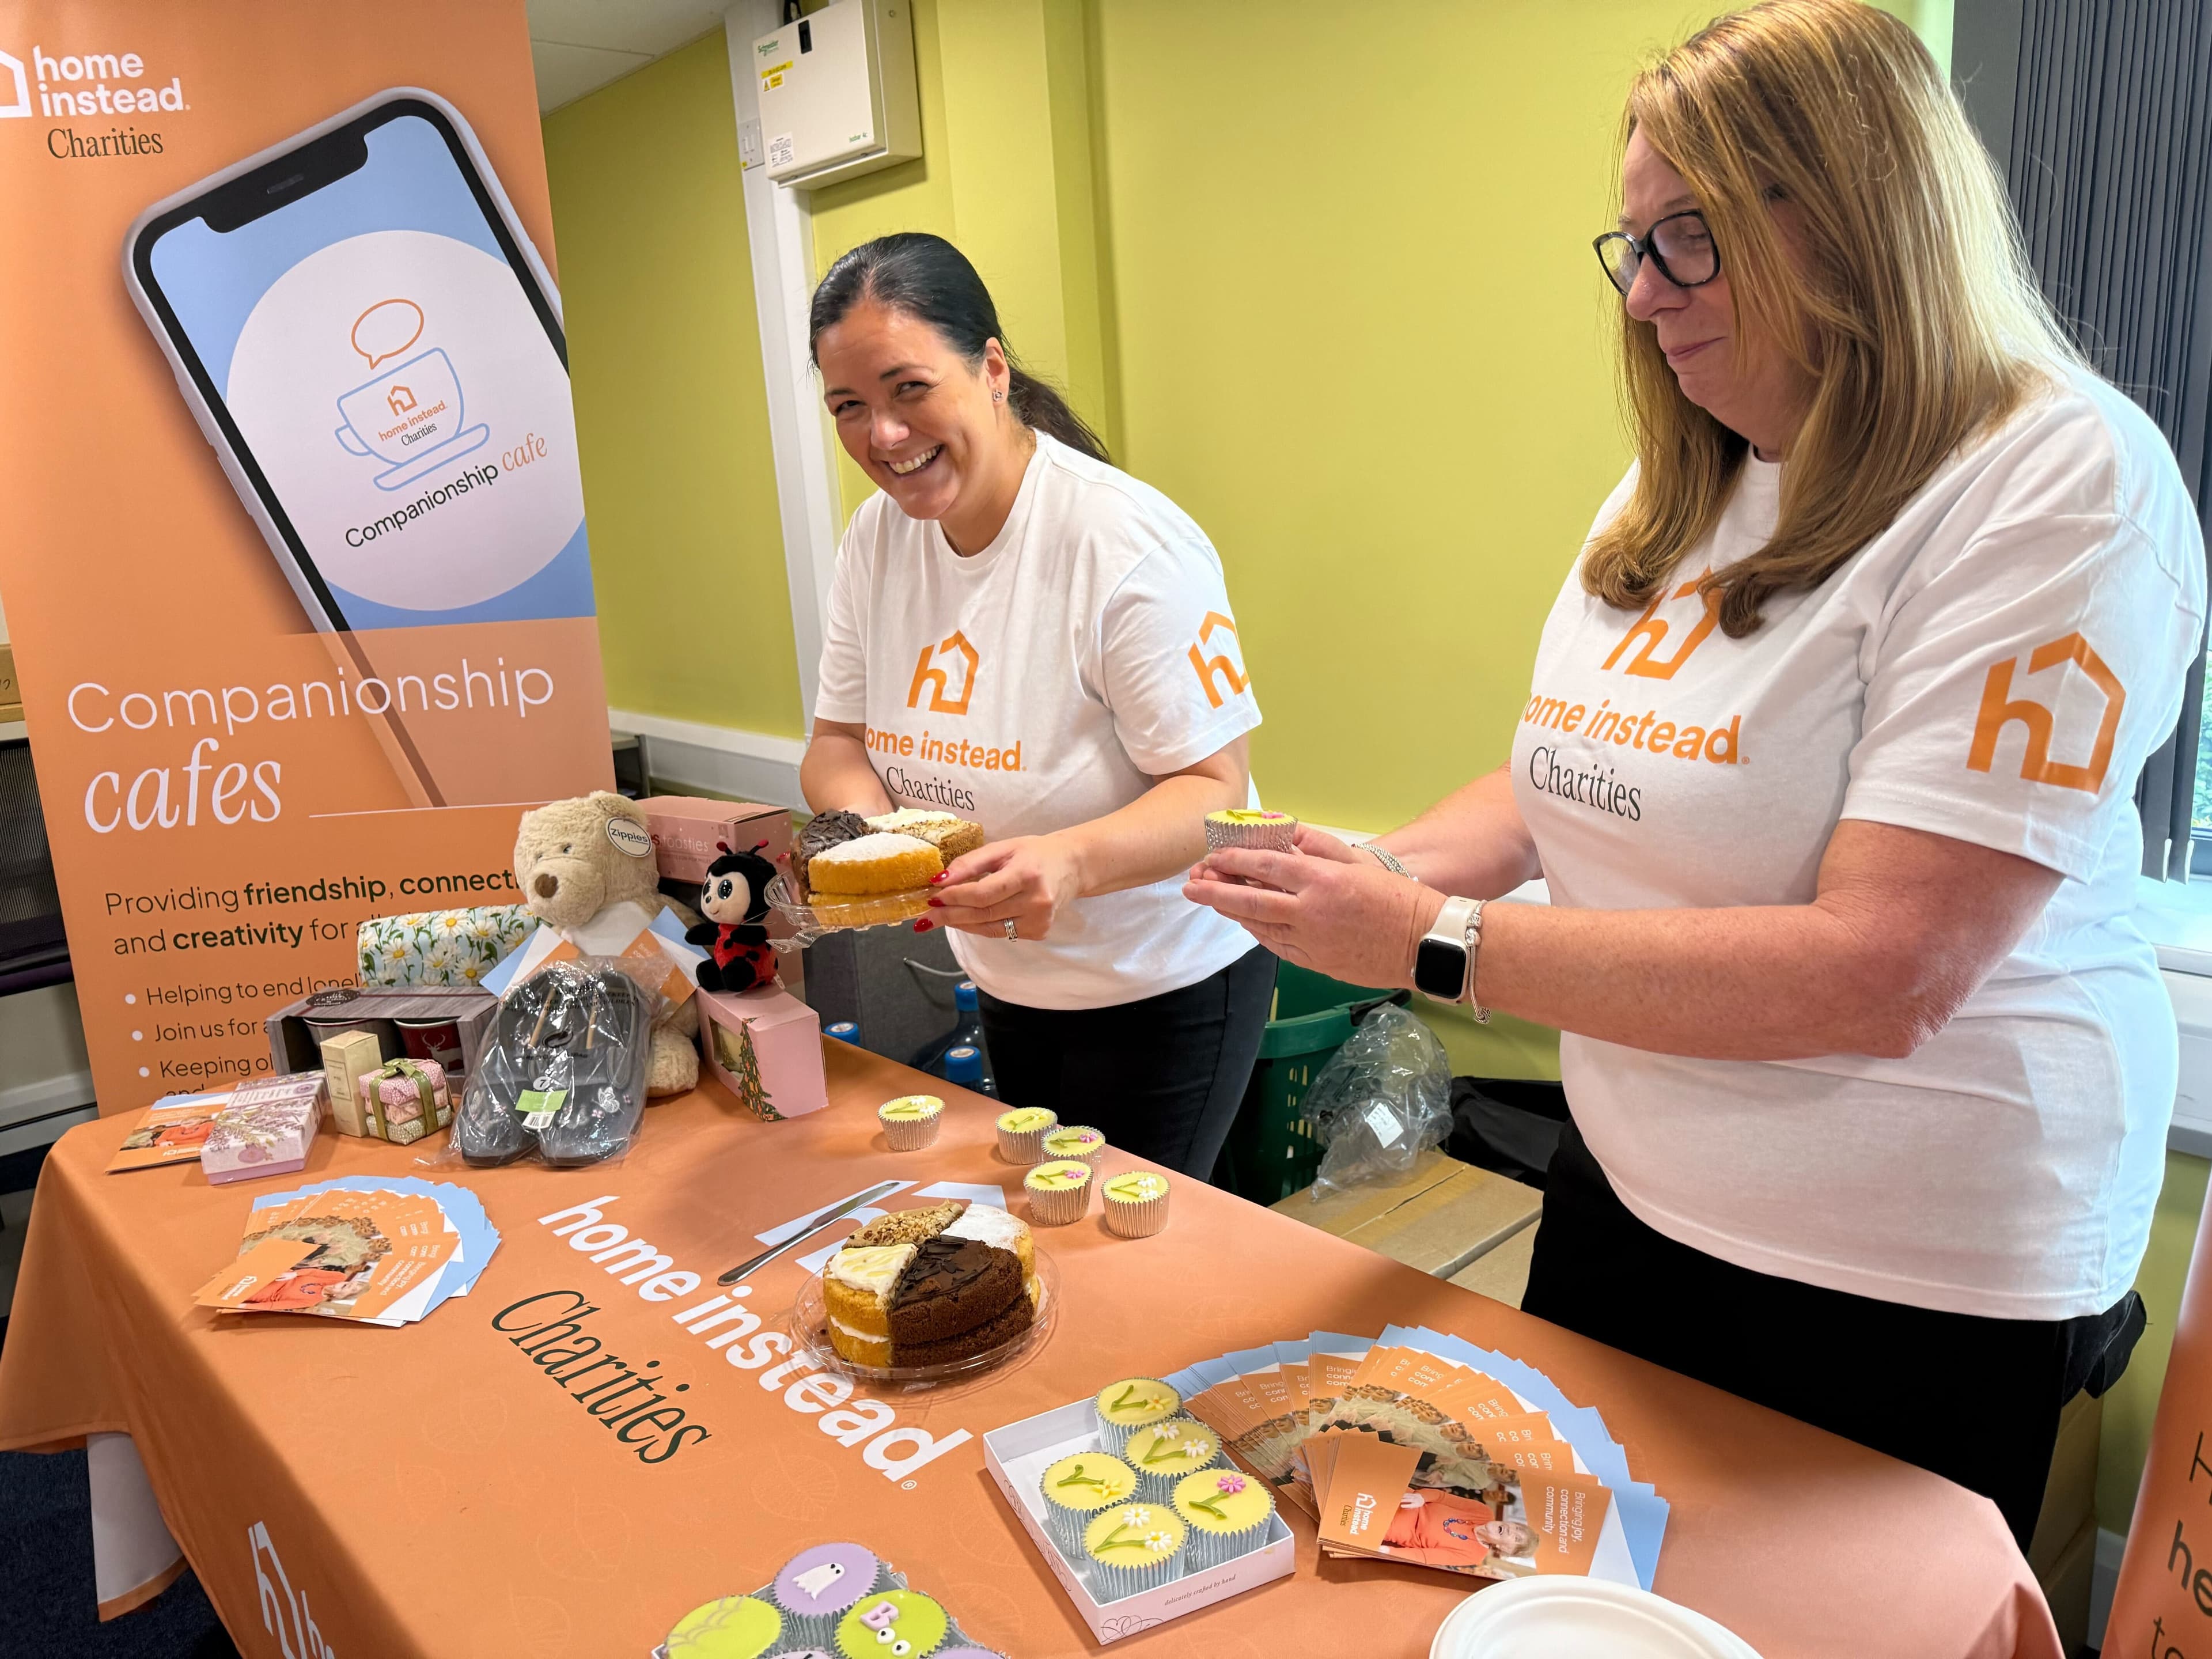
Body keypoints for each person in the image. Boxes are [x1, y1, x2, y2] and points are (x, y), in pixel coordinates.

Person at [1187, 0, 2206, 1548]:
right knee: (1564, 1581)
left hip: (1904, 1264)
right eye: (1631, 245)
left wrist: (1429, 943)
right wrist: (1374, 874)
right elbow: (1558, 784)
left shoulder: (2060, 480)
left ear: (1859, 208)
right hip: (1632, 1175)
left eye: (1691, 238)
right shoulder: (1683, 476)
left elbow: (1891, 967)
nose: (1647, 297)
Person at [800, 232, 1274, 1178]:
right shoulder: (875, 541)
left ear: (992, 370)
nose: (882, 437)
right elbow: (835, 746)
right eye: (849, 407)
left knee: (1130, 1259)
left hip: (1164, 983)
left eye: (909, 389)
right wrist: (891, 846)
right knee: (1042, 1227)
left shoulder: (1123, 542)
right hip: (1010, 979)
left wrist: (1067, 862)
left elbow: (1219, 797)